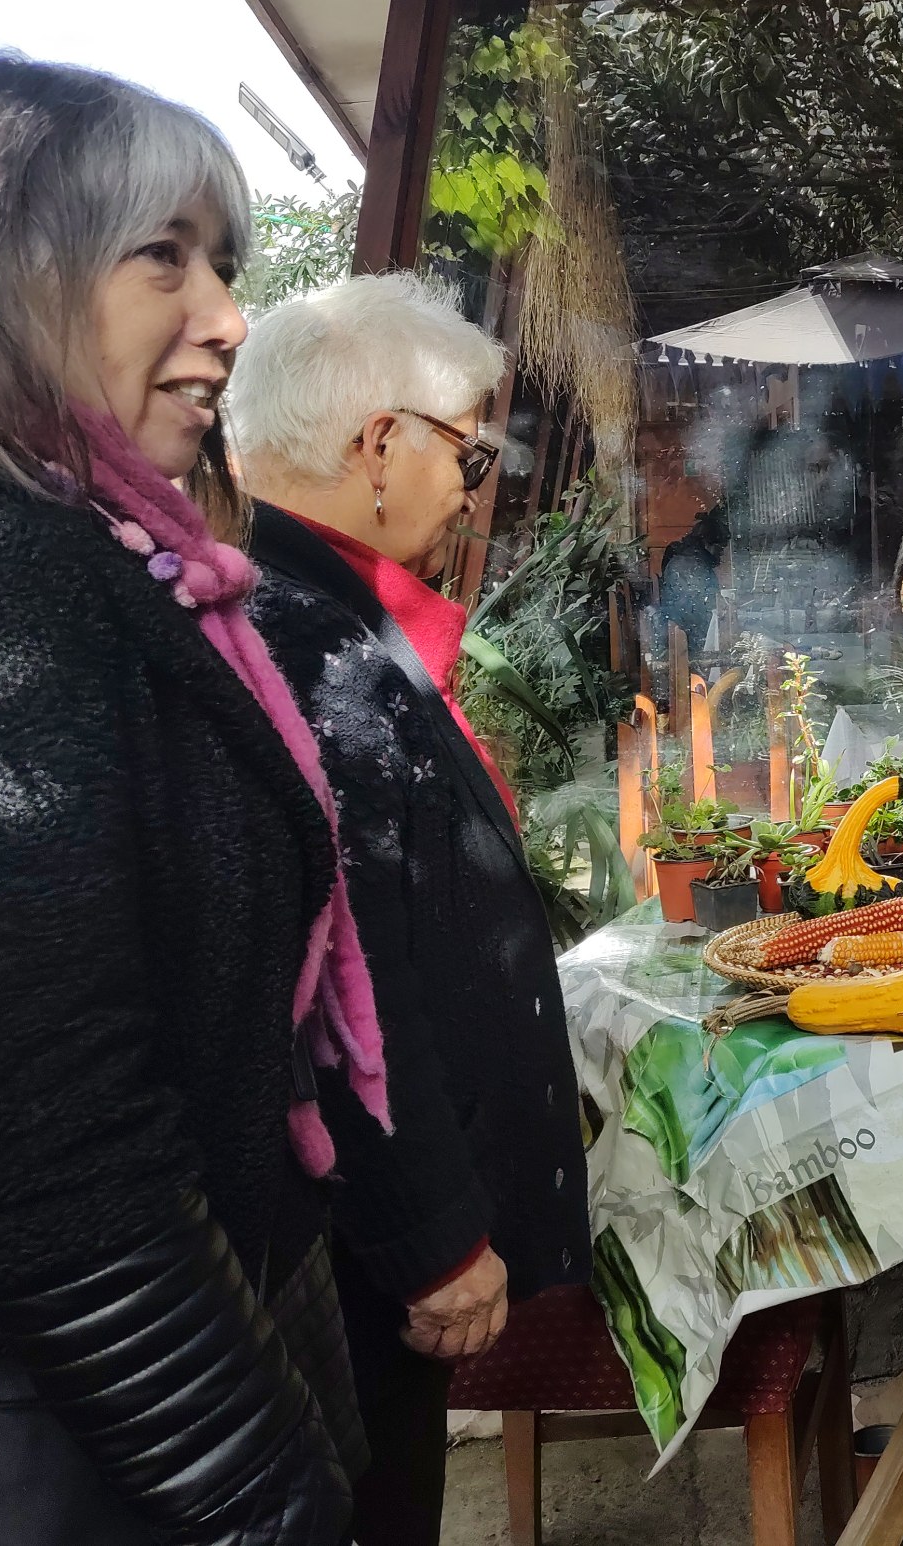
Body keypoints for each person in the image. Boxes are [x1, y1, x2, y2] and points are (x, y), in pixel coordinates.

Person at [0, 56, 367, 1543]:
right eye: (164, 256)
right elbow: (46, 1140)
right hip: (40, 1445)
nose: (227, 318)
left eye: (225, 265)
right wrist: (268, 1498)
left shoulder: (68, 550)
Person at [231, 273, 591, 1546]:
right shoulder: (305, 648)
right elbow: (346, 976)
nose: (474, 488)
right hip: (358, 1256)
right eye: (468, 452)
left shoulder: (311, 614)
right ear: (380, 445)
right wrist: (435, 1234)